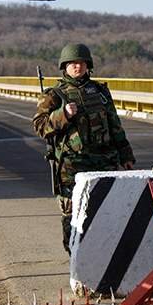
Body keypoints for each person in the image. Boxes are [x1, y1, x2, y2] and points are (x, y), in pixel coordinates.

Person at [32, 43, 136, 254]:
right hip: (72, 167)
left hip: (104, 162)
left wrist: (126, 154)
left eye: (80, 63)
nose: (77, 67)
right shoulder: (54, 95)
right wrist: (63, 115)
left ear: (88, 65)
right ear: (64, 67)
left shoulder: (100, 92)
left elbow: (115, 125)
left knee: (106, 212)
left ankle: (103, 259)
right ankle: (76, 260)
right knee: (72, 217)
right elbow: (40, 126)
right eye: (72, 64)